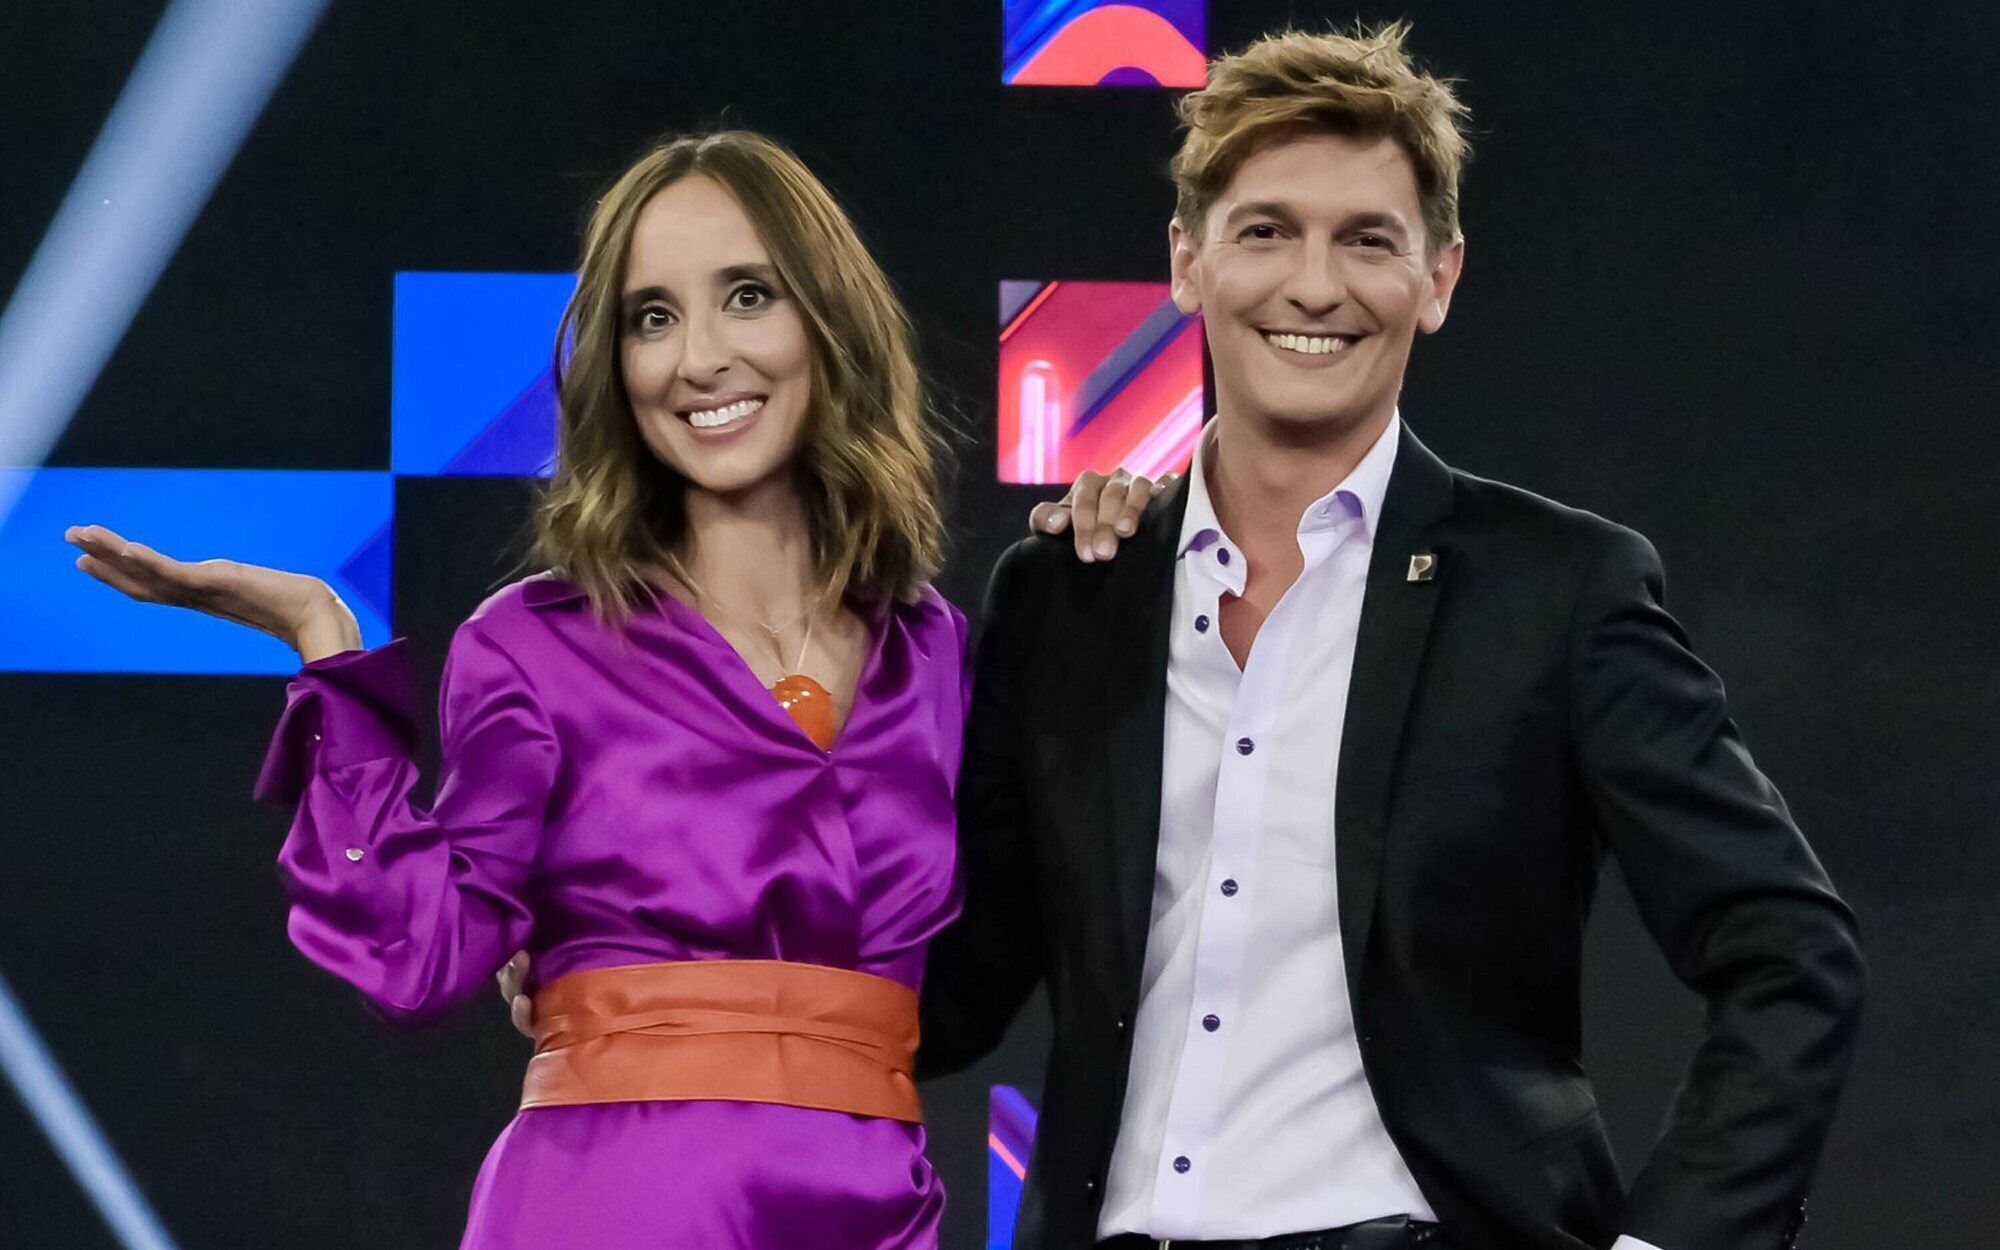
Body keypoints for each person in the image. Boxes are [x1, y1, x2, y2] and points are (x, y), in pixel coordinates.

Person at [65, 130, 1162, 1249]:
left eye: (747, 296)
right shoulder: (535, 645)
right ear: (612, 365)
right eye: (651, 317)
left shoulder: (933, 647)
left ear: (830, 321)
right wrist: (325, 643)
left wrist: (1132, 554)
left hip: (878, 1206)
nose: (698, 358)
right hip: (612, 1204)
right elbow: (420, 954)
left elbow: (1043, 923)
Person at [919, 23, 1866, 1250]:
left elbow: (1788, 950)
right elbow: (959, 977)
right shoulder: (1067, 592)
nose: (1314, 286)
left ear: (1437, 278)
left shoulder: (1554, 590)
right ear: (1186, 260)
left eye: (1366, 240)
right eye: (1265, 231)